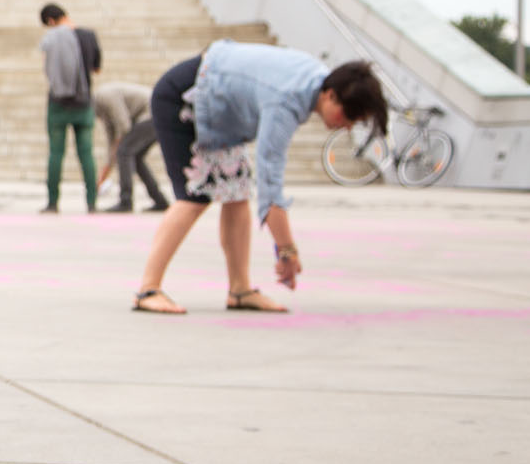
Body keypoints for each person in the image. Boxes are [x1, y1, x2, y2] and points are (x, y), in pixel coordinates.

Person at [133, 46, 387, 315]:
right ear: (331, 95)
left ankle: (240, 290)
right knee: (194, 196)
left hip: (220, 111)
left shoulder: (316, 81)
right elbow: (270, 181)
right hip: (184, 97)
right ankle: (148, 290)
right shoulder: (287, 99)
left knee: (238, 191)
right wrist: (287, 250)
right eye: (348, 116)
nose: (347, 126)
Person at [38, 3, 101, 214]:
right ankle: (92, 202)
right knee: (86, 154)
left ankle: (52, 202)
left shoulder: (52, 38)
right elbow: (97, 68)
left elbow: (47, 68)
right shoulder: (88, 36)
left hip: (58, 104)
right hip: (83, 103)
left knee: (56, 154)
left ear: (50, 21)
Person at [94, 81, 169, 213]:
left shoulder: (104, 96)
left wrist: (117, 150)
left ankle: (126, 201)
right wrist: (106, 169)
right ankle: (160, 200)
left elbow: (124, 125)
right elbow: (112, 142)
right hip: (153, 115)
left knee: (124, 152)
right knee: (135, 157)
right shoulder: (102, 112)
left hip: (153, 112)